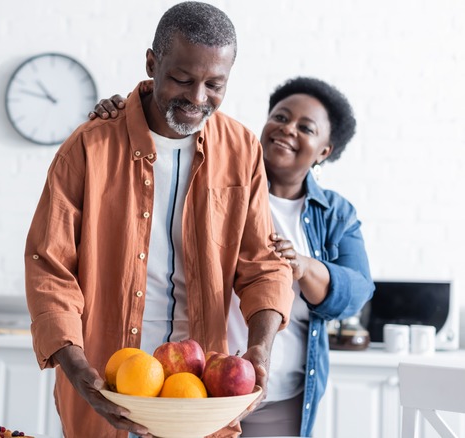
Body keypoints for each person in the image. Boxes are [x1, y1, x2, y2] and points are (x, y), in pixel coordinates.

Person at [25, 2, 294, 437]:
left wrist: (261, 348)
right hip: (106, 386)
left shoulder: (242, 150)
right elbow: (50, 269)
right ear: (152, 63)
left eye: (215, 84)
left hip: (201, 397)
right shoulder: (89, 148)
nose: (198, 98)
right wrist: (75, 367)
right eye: (182, 79)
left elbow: (261, 262)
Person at [89, 76, 374, 436]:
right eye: (281, 117)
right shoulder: (220, 178)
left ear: (324, 151)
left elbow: (357, 293)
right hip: (200, 389)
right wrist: (128, 114)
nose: (287, 130)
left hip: (284, 394)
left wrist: (304, 267)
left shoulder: (334, 213)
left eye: (306, 127)